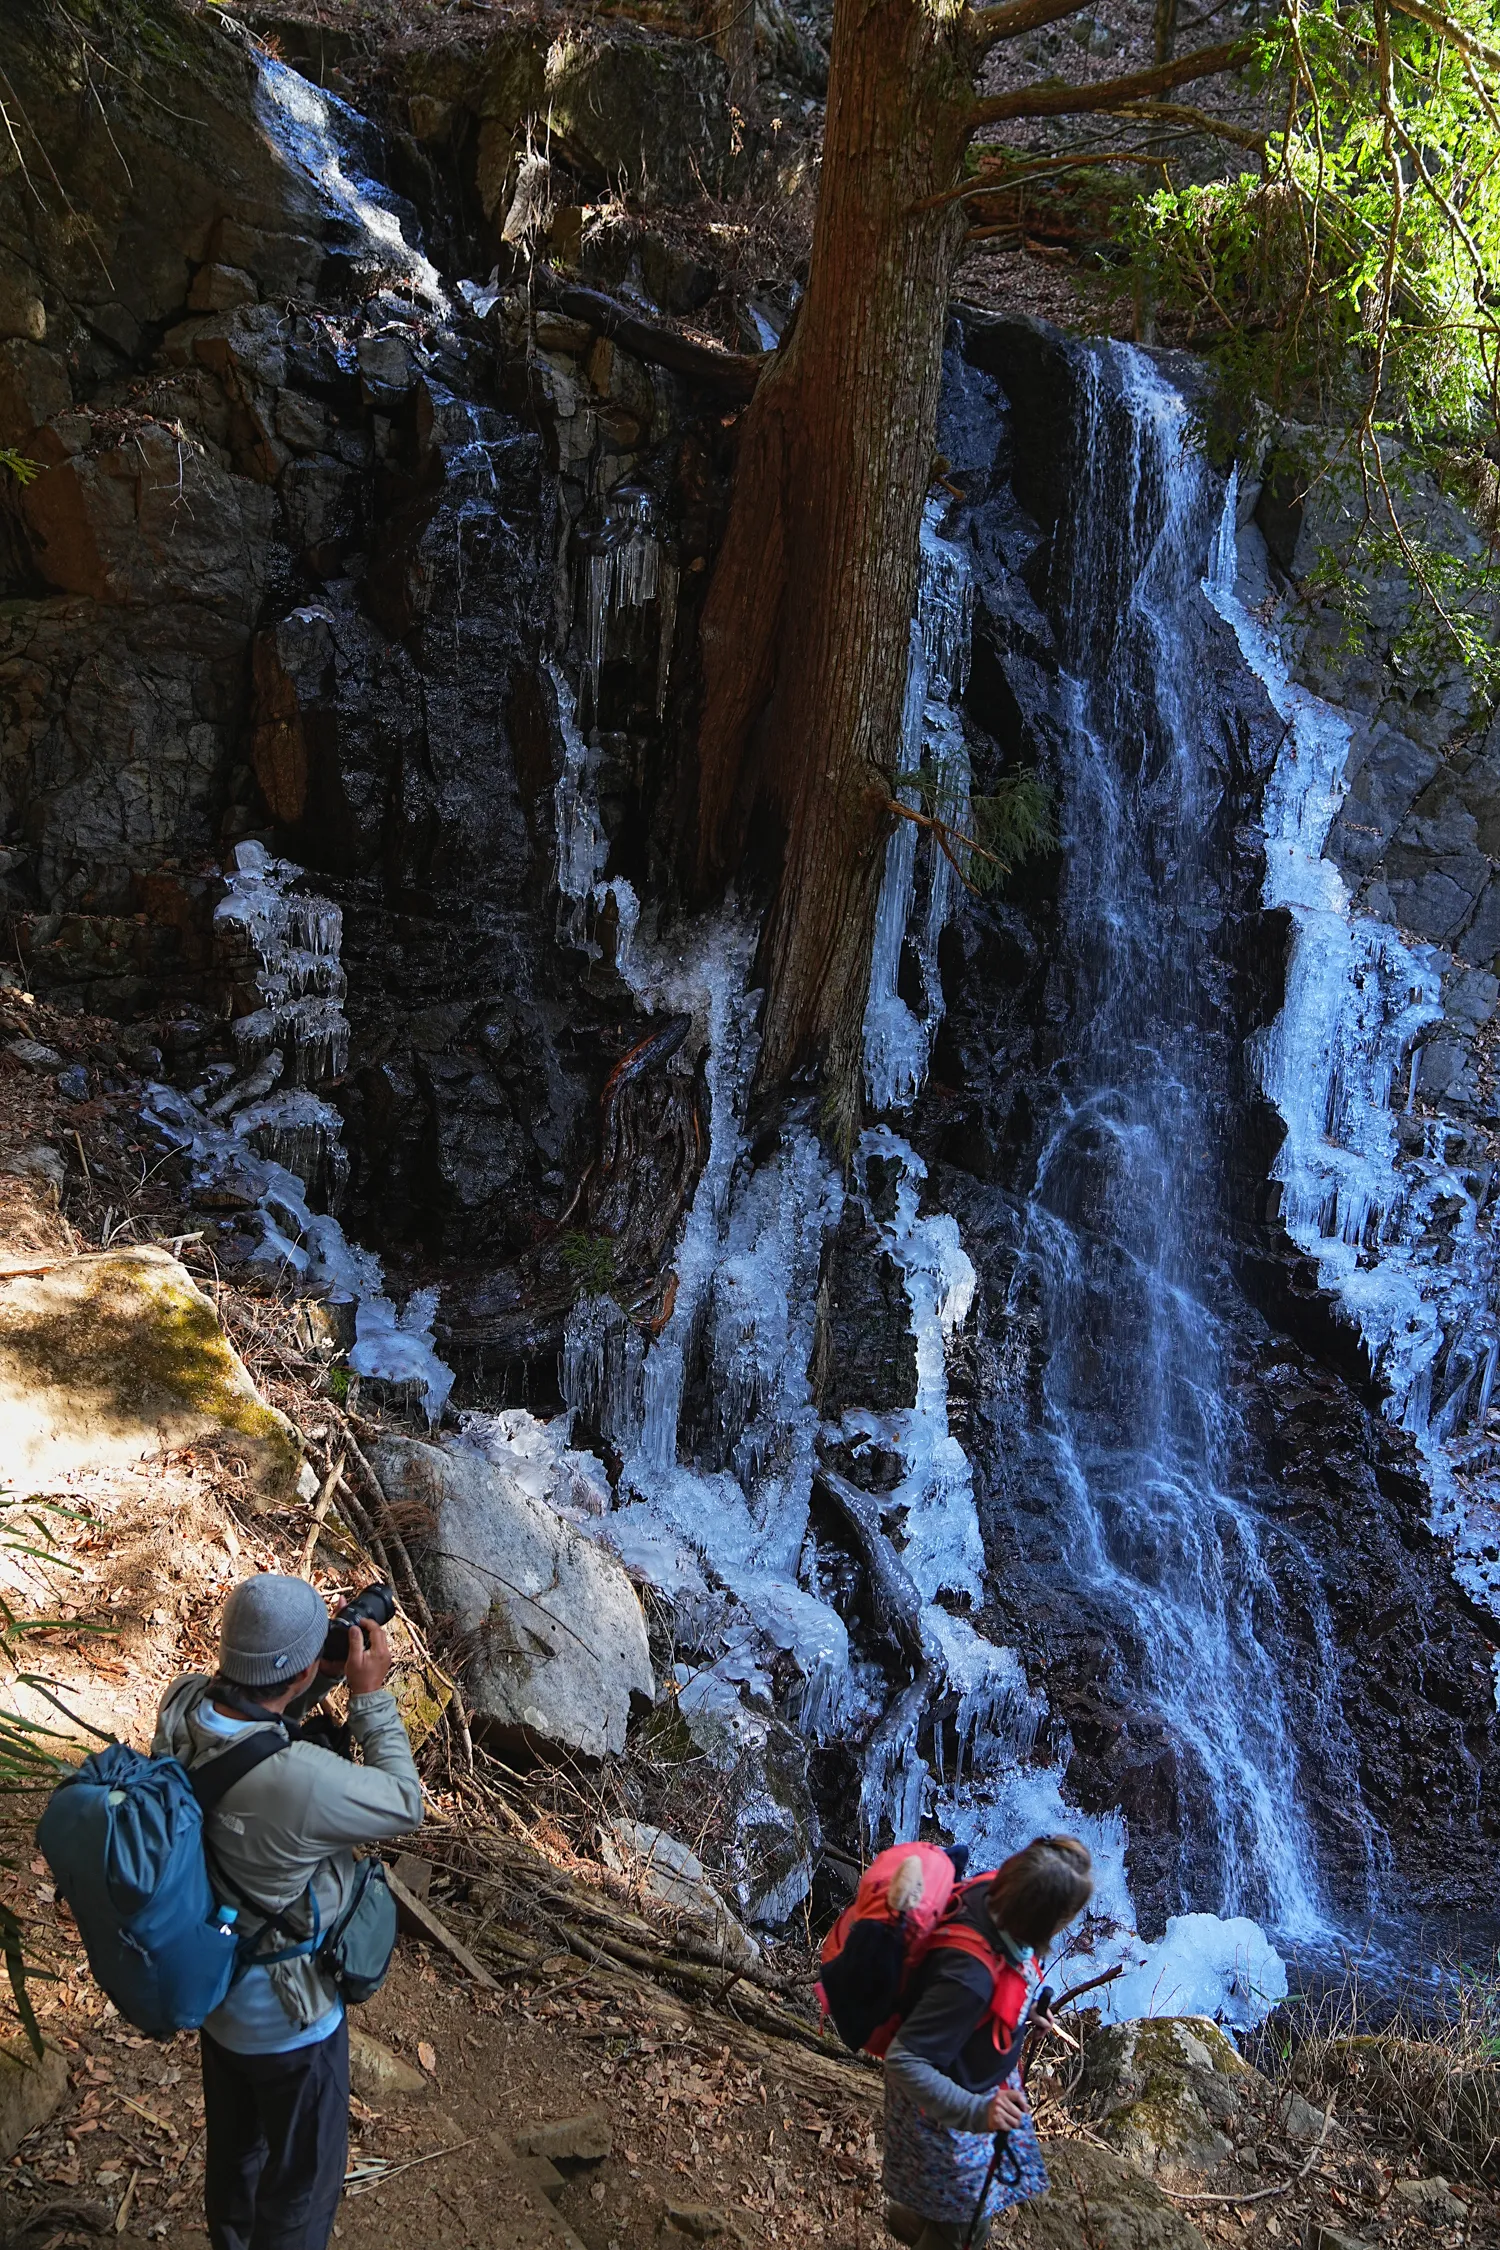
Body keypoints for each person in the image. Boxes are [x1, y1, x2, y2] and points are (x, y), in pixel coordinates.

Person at [154, 1573, 423, 2250]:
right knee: (300, 2190)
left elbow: (255, 1723)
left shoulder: (182, 1704)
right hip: (291, 2026)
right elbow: (403, 1801)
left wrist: (315, 1677)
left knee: (237, 2161)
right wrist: (370, 1697)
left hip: (219, 1998)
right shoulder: (300, 1782)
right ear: (301, 1667)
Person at [881, 1835, 1094, 2250]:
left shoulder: (991, 1893)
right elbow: (903, 2060)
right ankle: (920, 2221)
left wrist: (1026, 2003)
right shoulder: (968, 1982)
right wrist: (980, 2111)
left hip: (968, 2087)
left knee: (955, 2215)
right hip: (947, 2115)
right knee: (965, 2232)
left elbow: (1008, 1963)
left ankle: (915, 2217)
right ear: (1044, 1923)